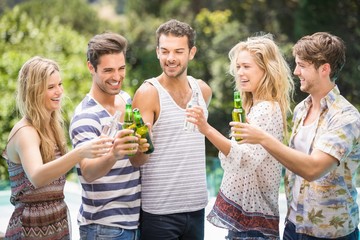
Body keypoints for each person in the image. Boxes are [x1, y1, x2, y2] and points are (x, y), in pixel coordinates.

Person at [236, 32, 360, 239]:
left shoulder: (346, 117)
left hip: (330, 233)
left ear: (324, 69)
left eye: (302, 66)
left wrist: (263, 138)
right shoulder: (302, 109)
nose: (295, 72)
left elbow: (313, 169)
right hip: (294, 227)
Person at [187, 34, 295, 239]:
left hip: (253, 228)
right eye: (238, 67)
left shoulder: (266, 110)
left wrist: (206, 128)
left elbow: (243, 159)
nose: (240, 73)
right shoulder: (255, 108)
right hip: (246, 224)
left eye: (247, 66)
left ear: (266, 69)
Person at [2, 56, 113, 239]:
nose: (59, 91)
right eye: (51, 87)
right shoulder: (26, 132)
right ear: (34, 91)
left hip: (57, 222)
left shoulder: (51, 127)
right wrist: (80, 152)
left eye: (59, 84)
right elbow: (37, 177)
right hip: (30, 227)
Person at [130, 19, 212, 240]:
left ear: (191, 52)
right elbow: (137, 160)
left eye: (178, 51)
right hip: (159, 213)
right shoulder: (148, 93)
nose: (171, 58)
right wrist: (142, 146)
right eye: (164, 51)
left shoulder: (203, 91)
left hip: (196, 208)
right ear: (157, 52)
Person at [69, 32, 146, 240]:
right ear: (91, 68)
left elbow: (137, 162)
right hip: (103, 229)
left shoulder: (126, 100)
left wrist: (144, 143)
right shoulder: (86, 117)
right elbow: (88, 173)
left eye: (121, 68)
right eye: (108, 70)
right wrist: (114, 154)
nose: (117, 77)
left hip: (133, 222)